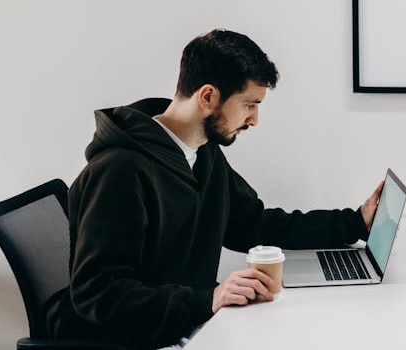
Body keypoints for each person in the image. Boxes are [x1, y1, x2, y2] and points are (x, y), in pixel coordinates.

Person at [53, 29, 383, 349]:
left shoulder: (204, 153)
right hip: (135, 338)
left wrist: (355, 222)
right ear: (208, 96)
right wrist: (208, 299)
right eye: (250, 104)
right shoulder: (120, 170)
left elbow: (253, 224)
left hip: (186, 324)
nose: (254, 120)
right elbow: (98, 292)